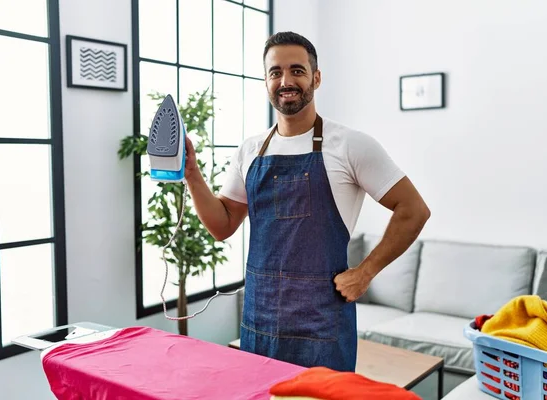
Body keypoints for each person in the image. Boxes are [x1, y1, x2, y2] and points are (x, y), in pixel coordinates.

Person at [183, 31, 431, 372]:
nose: (286, 81)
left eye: (297, 70)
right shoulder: (251, 150)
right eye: (276, 72)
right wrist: (192, 174)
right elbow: (222, 225)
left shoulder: (350, 145)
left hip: (322, 327)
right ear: (266, 80)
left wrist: (366, 272)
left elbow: (414, 210)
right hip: (260, 321)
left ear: (316, 77)